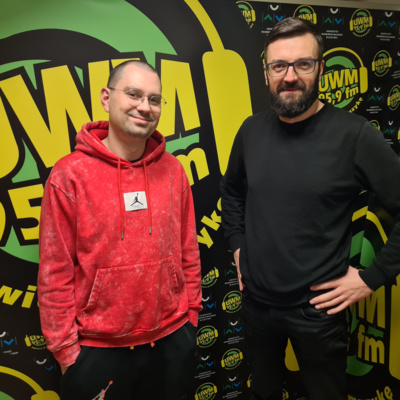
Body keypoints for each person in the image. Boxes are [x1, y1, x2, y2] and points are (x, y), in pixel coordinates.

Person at [220, 17, 400, 400]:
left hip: (317, 312)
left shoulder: (354, 135)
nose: (290, 77)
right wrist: (237, 246)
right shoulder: (250, 131)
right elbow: (231, 191)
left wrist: (373, 277)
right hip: (256, 306)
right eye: (278, 66)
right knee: (263, 392)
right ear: (266, 72)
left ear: (320, 68)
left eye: (302, 64)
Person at [38, 60, 202, 400]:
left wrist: (190, 318)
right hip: (98, 350)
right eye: (133, 94)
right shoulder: (70, 175)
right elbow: (55, 271)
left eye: (154, 99)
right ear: (106, 97)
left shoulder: (173, 170)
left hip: (171, 339)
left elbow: (188, 249)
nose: (145, 106)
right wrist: (67, 354)